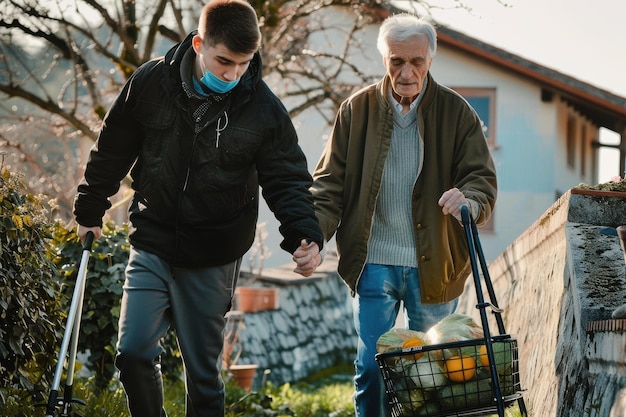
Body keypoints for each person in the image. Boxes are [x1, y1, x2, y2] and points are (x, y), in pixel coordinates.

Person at [73, 1, 323, 416]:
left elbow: (287, 179)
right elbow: (112, 149)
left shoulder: (262, 108)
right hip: (152, 239)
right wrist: (89, 209)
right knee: (133, 355)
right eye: (224, 61)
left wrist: (304, 234)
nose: (232, 73)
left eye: (243, 64)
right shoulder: (151, 82)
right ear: (198, 43)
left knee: (203, 377)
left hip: (214, 253)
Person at [310, 13, 497, 417]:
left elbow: (481, 178)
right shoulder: (355, 110)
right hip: (373, 260)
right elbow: (329, 184)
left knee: (438, 374)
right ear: (385, 60)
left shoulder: (457, 113)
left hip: (436, 265)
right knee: (373, 369)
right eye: (397, 61)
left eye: (416, 62)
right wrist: (313, 234)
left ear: (430, 59)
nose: (407, 72)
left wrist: (469, 200)